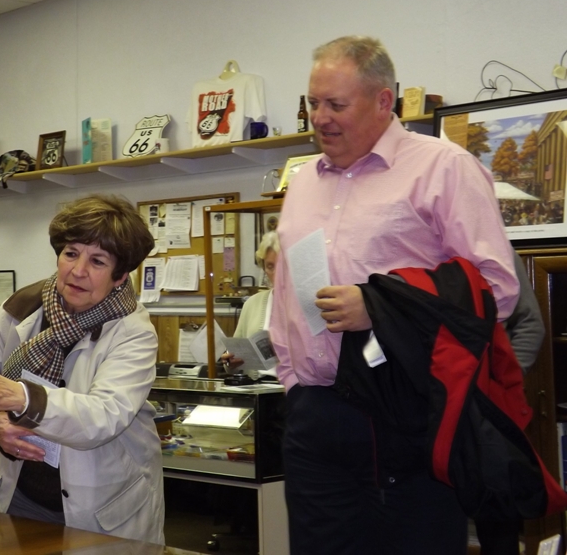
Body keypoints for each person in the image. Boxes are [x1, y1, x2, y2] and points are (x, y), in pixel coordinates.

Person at [270, 36, 520, 555]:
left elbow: (496, 288)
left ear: (384, 101)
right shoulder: (303, 181)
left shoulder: (443, 168)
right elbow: (286, 289)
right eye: (313, 102)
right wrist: (293, 383)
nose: (320, 117)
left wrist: (382, 307)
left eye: (336, 104)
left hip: (407, 411)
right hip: (315, 417)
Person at [0, 194, 164, 544]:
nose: (78, 270)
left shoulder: (133, 331)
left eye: (97, 261)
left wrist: (22, 397)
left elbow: (104, 416)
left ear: (120, 275)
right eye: (71, 253)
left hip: (100, 505)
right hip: (18, 493)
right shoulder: (22, 306)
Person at [475, 251, 545, 554]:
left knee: (498, 520)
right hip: (423, 409)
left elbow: (529, 324)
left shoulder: (496, 249)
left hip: (489, 409)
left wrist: (502, 380)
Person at [221, 231, 279, 373]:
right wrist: (230, 362)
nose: (277, 273)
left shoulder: (311, 304)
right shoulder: (252, 303)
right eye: (270, 267)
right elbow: (233, 358)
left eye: (282, 266)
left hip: (297, 385)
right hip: (258, 384)